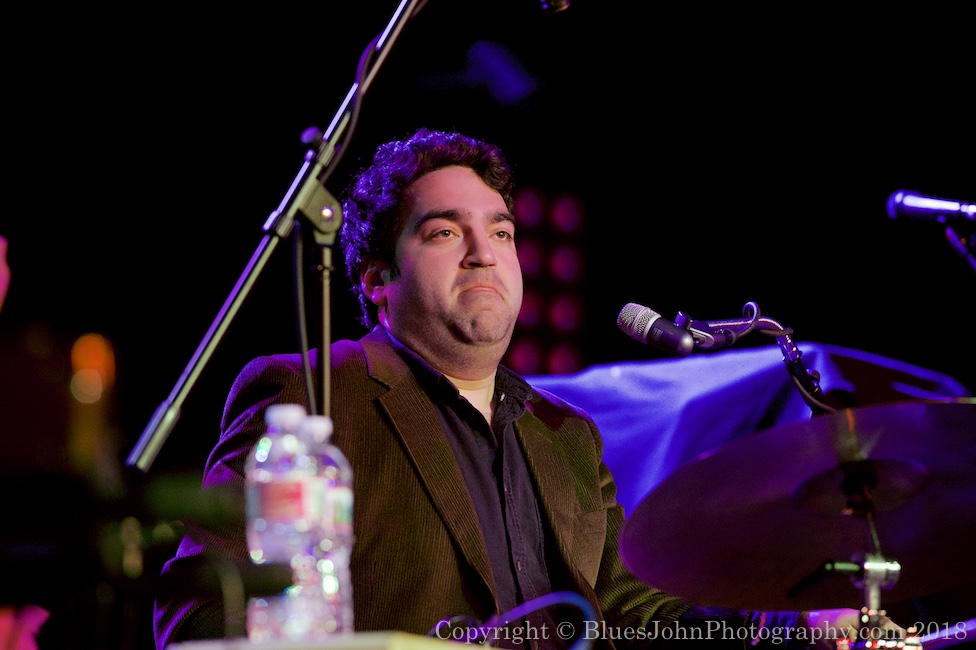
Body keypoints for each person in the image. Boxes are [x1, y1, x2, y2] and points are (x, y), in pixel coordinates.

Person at [153, 128, 906, 649]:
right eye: (444, 231)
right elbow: (199, 609)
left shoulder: (566, 435)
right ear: (377, 281)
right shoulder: (313, 394)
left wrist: (794, 631)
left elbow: (636, 619)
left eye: (502, 230)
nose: (485, 250)